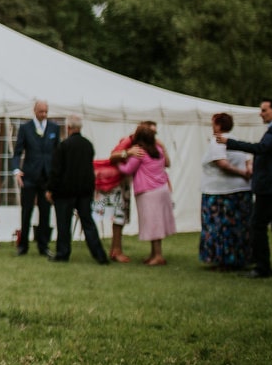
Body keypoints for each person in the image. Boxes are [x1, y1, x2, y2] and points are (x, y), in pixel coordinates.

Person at [217, 98, 272, 279]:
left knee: (258, 225)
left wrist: (231, 143)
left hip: (270, 188)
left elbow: (261, 148)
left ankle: (262, 267)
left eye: (264, 110)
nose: (261, 113)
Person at [103, 121, 170, 263]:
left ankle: (157, 256)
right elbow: (166, 163)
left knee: (153, 224)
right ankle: (154, 254)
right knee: (157, 223)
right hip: (162, 189)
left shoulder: (140, 152)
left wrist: (118, 164)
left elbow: (128, 169)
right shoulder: (158, 150)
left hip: (148, 192)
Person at [45, 115, 109, 264]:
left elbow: (56, 171)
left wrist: (50, 189)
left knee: (63, 224)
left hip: (65, 192)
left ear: (69, 128)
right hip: (84, 192)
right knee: (88, 223)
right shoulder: (88, 145)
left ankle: (63, 253)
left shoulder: (63, 146)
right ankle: (99, 255)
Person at [200, 113, 253, 270]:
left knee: (220, 226)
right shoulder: (235, 140)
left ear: (217, 125)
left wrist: (242, 173)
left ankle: (224, 260)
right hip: (241, 189)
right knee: (239, 226)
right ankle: (239, 257)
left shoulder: (217, 141)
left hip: (220, 192)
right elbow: (248, 159)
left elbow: (222, 163)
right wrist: (248, 171)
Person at [11, 100, 60, 256]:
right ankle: (23, 245)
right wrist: (16, 170)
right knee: (27, 211)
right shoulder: (25, 128)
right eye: (41, 111)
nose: (44, 114)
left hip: (47, 178)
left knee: (45, 212)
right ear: (34, 111)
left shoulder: (54, 128)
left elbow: (57, 152)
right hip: (30, 175)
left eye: (46, 111)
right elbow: (17, 151)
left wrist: (56, 173)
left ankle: (43, 245)